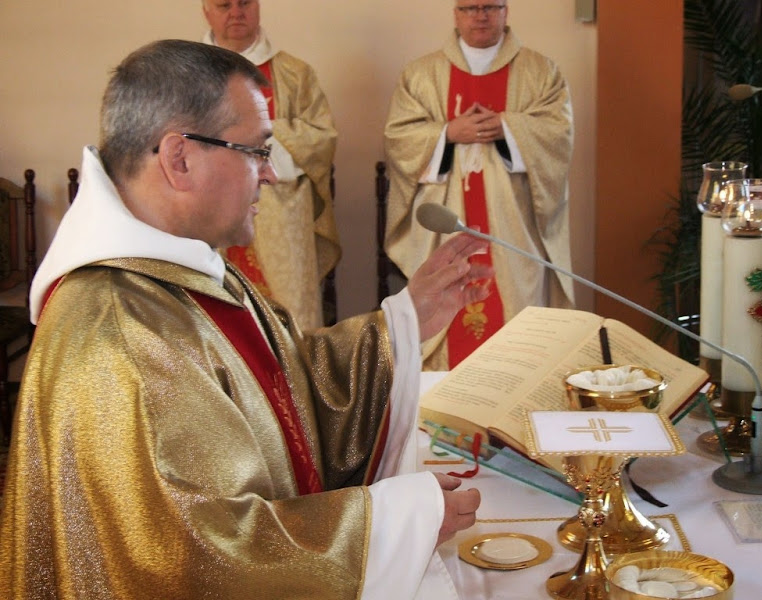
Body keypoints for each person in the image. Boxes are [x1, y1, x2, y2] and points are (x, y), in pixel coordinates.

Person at [0, 39, 492, 599]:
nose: (272, 174)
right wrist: (399, 520)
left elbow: (287, 384)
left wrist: (405, 321)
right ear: (180, 158)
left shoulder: (178, 267)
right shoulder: (120, 333)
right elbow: (196, 560)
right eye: (257, 151)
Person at [384, 0, 575, 371]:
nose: (481, 15)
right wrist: (447, 134)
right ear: (456, 14)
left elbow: (559, 136)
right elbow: (398, 139)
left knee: (516, 329)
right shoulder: (421, 74)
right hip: (445, 221)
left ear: (506, 10)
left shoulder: (541, 71)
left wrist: (509, 129)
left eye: (490, 6)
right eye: (470, 7)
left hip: (514, 227)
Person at [202, 0, 339, 330]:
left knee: (291, 320)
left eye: (245, 3)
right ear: (206, 10)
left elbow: (321, 138)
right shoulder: (187, 74)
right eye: (224, 5)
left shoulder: (294, 74)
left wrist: (260, 136)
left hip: (282, 214)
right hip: (209, 211)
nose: (236, 12)